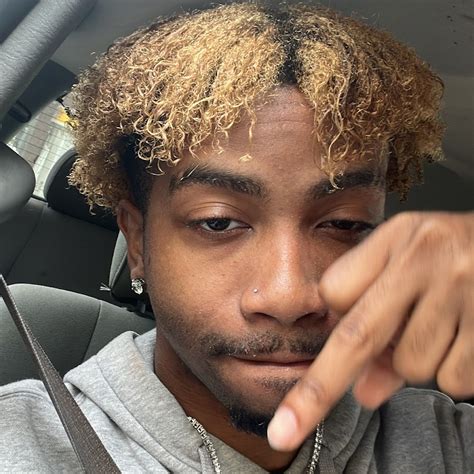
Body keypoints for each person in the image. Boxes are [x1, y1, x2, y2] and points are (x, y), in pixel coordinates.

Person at [0, 3, 473, 472]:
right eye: (218, 222)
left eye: (345, 224)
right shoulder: (25, 443)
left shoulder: (446, 440)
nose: (290, 297)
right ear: (138, 242)